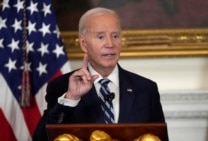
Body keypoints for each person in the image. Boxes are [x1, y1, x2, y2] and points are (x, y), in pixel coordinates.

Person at [33, 7, 165, 141]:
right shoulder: (62, 87)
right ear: (83, 43)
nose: (110, 44)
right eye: (100, 37)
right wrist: (71, 98)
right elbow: (41, 138)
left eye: (115, 36)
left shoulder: (146, 89)